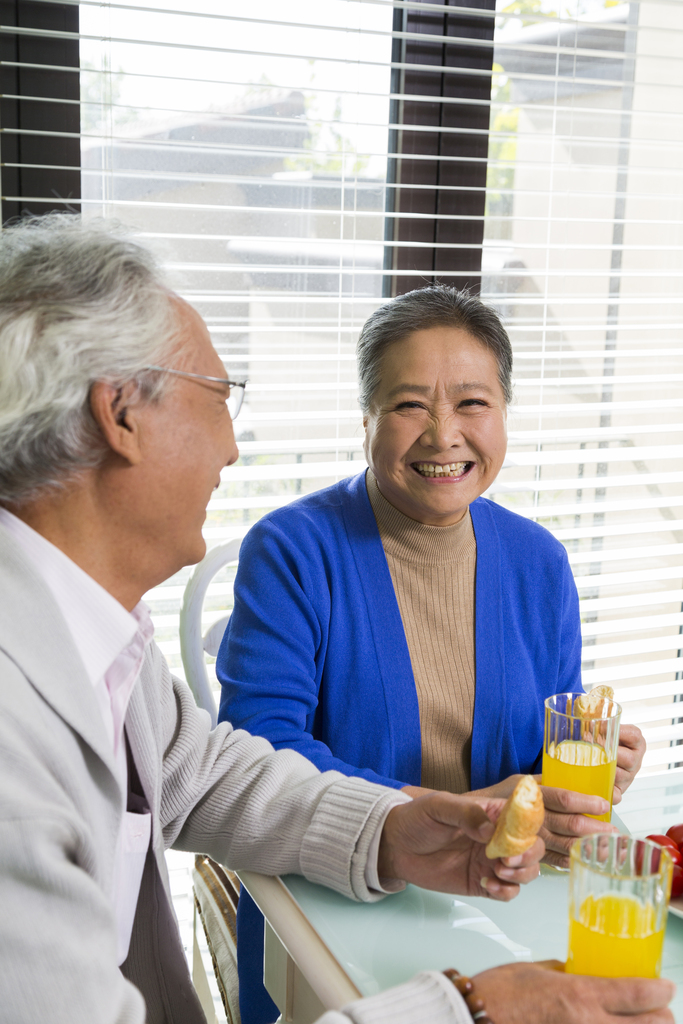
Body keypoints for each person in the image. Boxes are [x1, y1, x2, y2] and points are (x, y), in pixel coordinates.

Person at [0, 216, 667, 1024]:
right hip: (346, 933)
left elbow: (206, 772)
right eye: (218, 398)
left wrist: (398, 827)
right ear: (120, 416)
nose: (233, 451)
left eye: (473, 403)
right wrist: (469, 1009)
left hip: (476, 900)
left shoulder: (101, 639)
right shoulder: (16, 741)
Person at [216, 286, 647, 1023]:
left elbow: (545, 751)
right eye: (410, 404)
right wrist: (435, 816)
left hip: (505, 899)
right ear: (366, 420)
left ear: (504, 414)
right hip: (336, 900)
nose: (443, 434)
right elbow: (261, 753)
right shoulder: (291, 550)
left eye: (472, 403)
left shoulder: (538, 560)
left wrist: (579, 776)